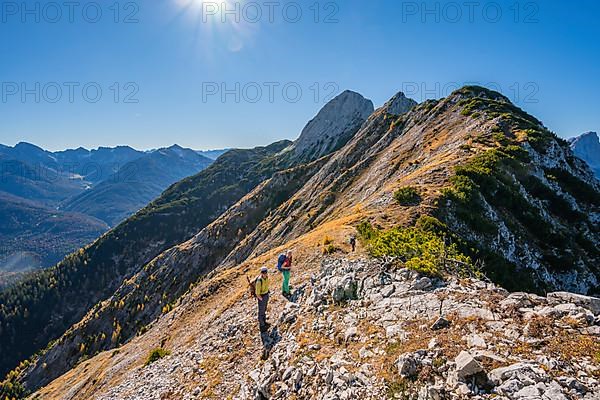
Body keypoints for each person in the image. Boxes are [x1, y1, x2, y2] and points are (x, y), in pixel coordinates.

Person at [255, 266, 270, 332]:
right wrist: (261, 299)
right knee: (261, 311)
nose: (265, 273)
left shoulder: (266, 278)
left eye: (265, 272)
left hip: (266, 295)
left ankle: (264, 322)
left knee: (264, 310)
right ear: (261, 273)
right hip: (262, 297)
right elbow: (257, 293)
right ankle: (262, 326)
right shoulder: (259, 281)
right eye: (263, 272)